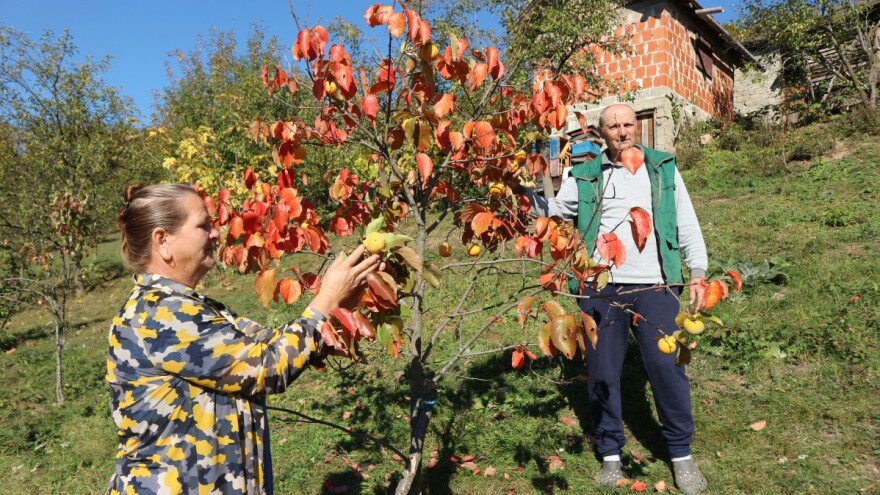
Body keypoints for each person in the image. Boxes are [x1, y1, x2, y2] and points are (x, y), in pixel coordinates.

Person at [106, 183, 380, 495]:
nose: (214, 234)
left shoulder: (187, 306)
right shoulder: (159, 314)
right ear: (163, 241)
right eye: (202, 225)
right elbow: (268, 366)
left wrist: (337, 310)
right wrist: (328, 296)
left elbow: (270, 344)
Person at [527, 103, 709, 494]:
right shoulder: (586, 174)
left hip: (657, 285)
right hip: (601, 287)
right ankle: (610, 452)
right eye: (614, 126)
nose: (623, 131)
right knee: (603, 371)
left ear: (636, 128)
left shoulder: (662, 168)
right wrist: (521, 198)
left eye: (628, 124)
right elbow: (559, 209)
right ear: (601, 132)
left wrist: (696, 272)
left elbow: (685, 220)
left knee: (666, 368)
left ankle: (680, 453)